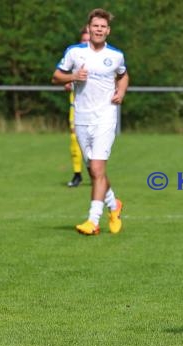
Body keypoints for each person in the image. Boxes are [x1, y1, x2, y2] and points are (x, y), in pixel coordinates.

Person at [52, 8, 128, 235]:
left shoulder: (116, 55)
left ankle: (92, 221)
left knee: (96, 167)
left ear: (108, 30)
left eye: (103, 26)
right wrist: (73, 77)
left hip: (106, 116)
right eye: (95, 26)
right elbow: (56, 76)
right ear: (89, 28)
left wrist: (121, 92)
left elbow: (123, 74)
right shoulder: (74, 52)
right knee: (95, 171)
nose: (99, 30)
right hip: (82, 117)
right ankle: (114, 205)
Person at [65, 26, 90, 188]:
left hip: (96, 106)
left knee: (95, 141)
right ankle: (77, 174)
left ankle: (96, 173)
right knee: (75, 138)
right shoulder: (74, 56)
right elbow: (62, 76)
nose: (87, 42)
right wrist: (68, 81)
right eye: (84, 40)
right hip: (77, 104)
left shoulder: (104, 56)